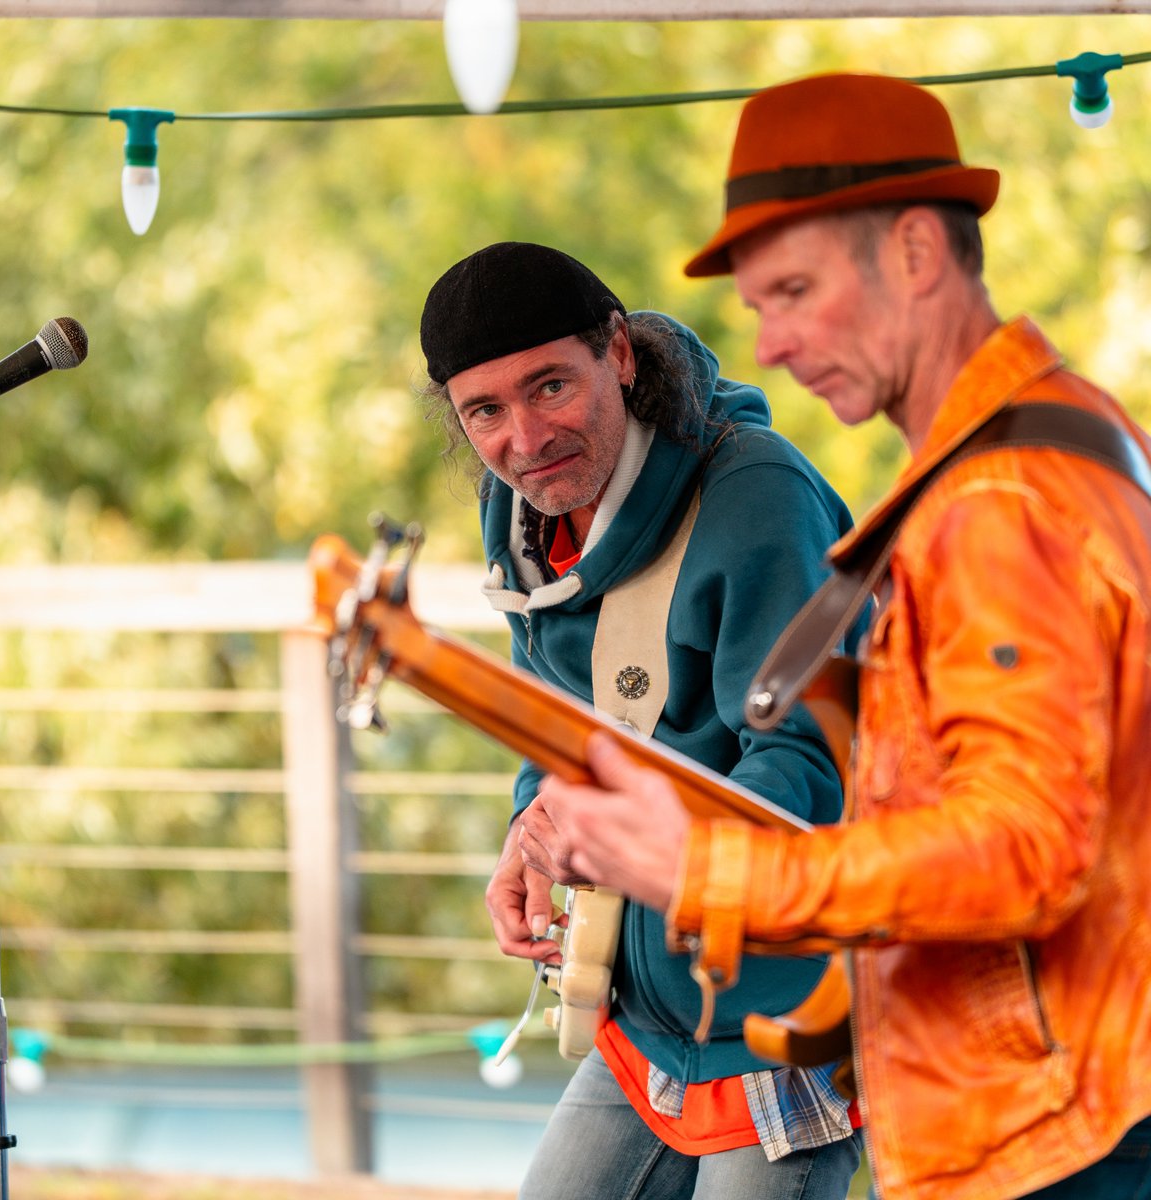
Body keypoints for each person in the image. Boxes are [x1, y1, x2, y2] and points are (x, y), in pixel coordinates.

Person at [536, 73, 1151, 1200]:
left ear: (917, 253)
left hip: (1060, 1136)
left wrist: (704, 865)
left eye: (795, 292)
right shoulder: (1043, 445)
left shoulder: (999, 503)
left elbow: (1022, 846)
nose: (769, 346)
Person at [418, 240, 864, 1199]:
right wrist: (527, 834)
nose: (525, 441)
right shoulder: (525, 516)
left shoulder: (755, 497)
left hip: (788, 1011)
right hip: (644, 1013)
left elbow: (809, 764)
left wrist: (625, 845)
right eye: (484, 411)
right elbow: (560, 725)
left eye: (550, 388)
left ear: (618, 352)